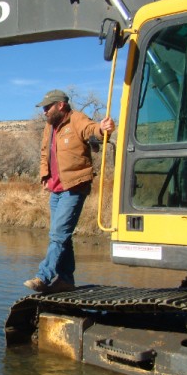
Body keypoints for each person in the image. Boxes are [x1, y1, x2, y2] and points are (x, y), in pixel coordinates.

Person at [24, 89, 115, 293]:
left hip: (74, 186)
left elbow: (91, 129)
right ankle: (66, 280)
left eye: (48, 107)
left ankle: (43, 276)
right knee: (62, 235)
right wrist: (45, 177)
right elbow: (43, 154)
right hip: (56, 189)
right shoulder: (49, 127)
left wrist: (102, 128)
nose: (44, 111)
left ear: (60, 105)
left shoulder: (76, 119)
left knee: (58, 234)